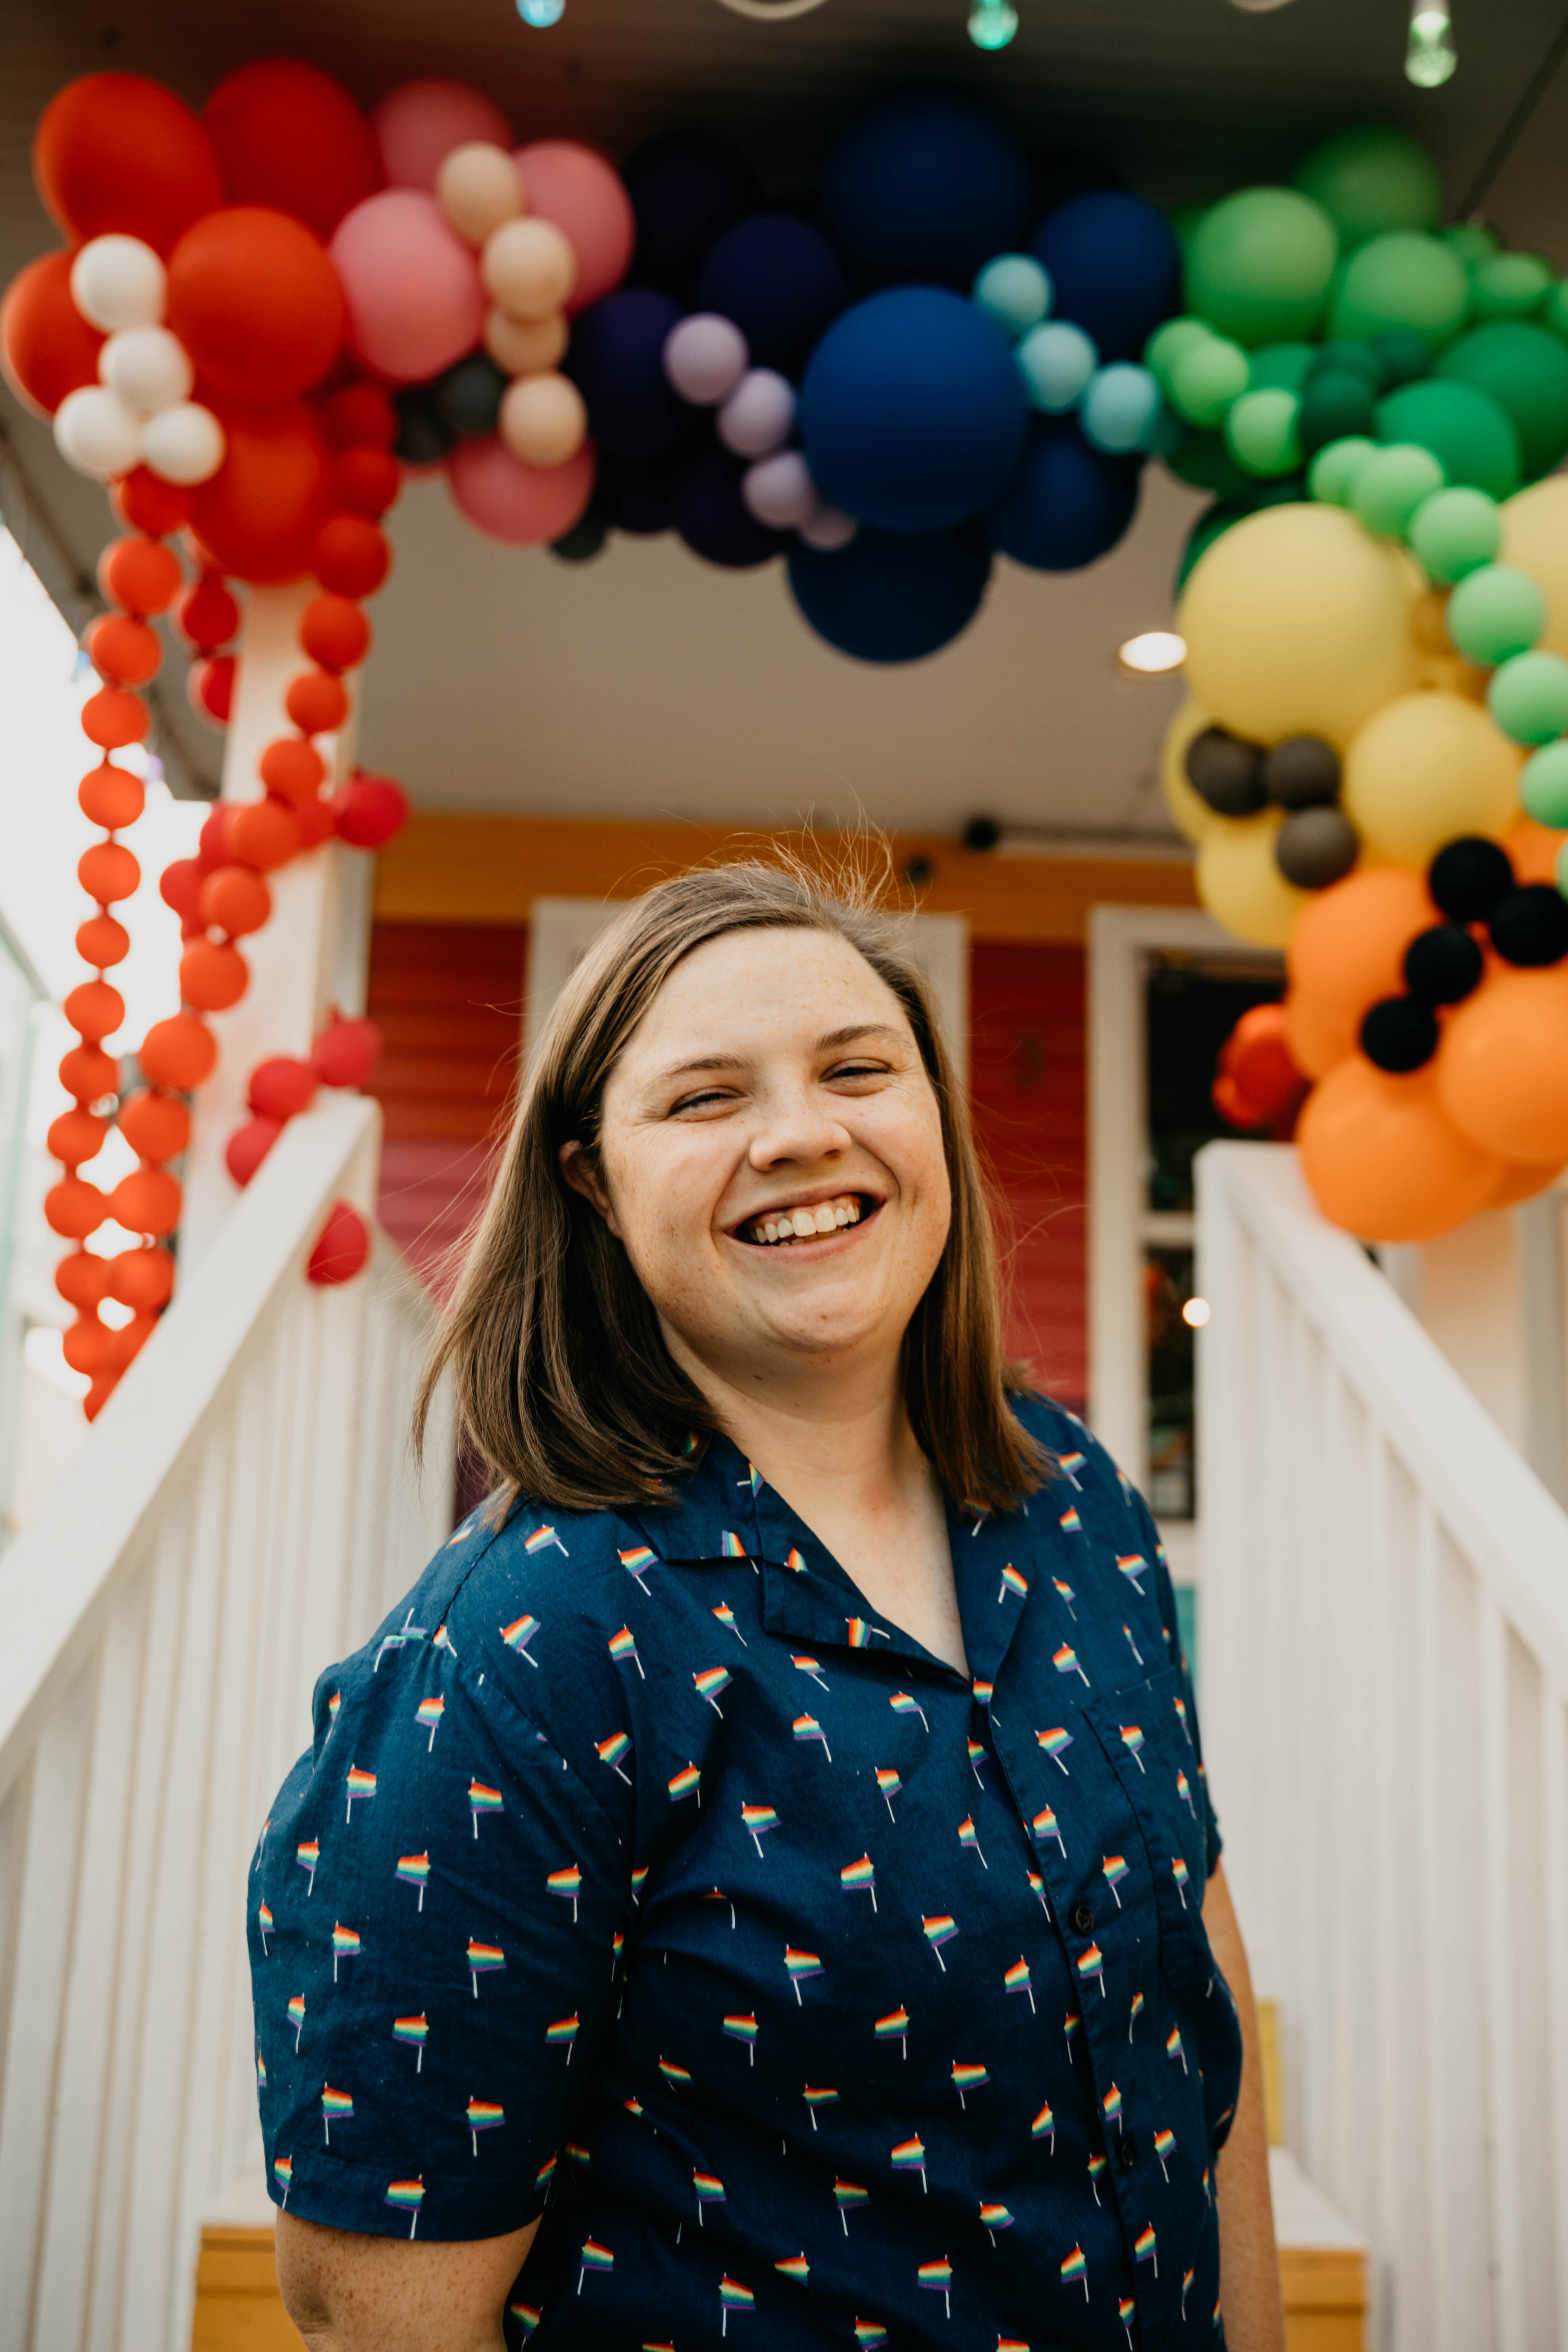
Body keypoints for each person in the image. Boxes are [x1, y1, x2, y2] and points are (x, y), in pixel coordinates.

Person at [250, 859, 1285, 2351]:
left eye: (858, 1068)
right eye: (705, 1097)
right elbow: (375, 2307)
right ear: (592, 1180)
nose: (803, 1133)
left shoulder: (1075, 1501)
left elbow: (1200, 1969)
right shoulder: (521, 1646)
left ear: (932, 1112)